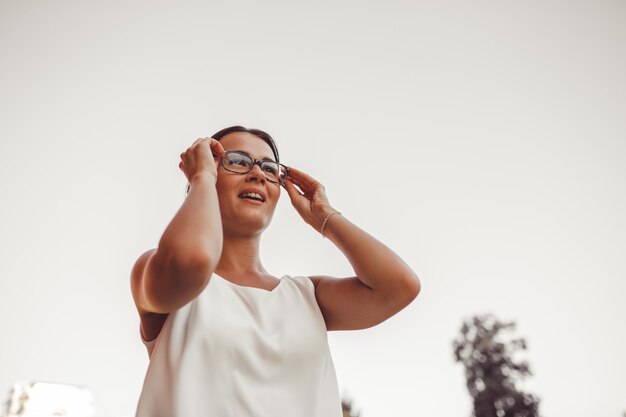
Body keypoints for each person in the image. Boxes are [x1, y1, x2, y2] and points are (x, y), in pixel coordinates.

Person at [130, 125, 421, 417]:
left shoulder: (307, 297)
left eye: (269, 168)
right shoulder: (158, 270)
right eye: (237, 161)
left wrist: (324, 217)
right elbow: (192, 261)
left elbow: (399, 286)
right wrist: (201, 177)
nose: (257, 174)